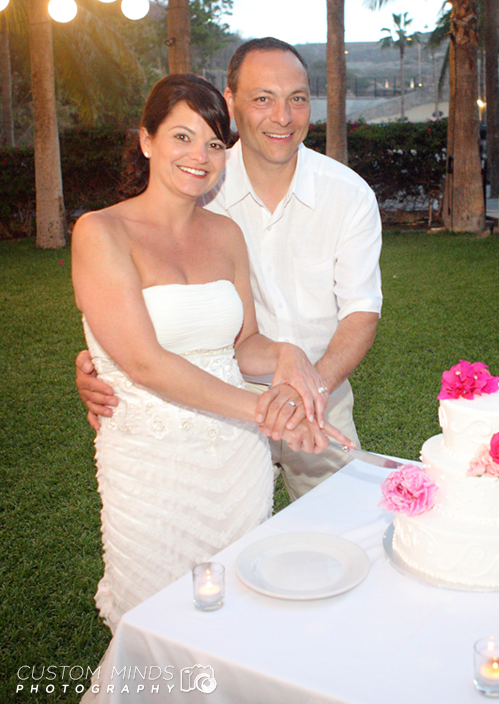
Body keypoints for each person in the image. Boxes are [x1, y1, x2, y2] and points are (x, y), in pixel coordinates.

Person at [72, 73, 351, 637]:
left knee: (239, 618)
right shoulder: (101, 232)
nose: (200, 156)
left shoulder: (225, 234)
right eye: (181, 137)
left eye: (215, 144)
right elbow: (144, 361)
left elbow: (243, 343)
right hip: (150, 461)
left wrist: (287, 355)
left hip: (235, 461)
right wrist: (262, 412)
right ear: (146, 140)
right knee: (155, 622)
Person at [76, 38, 383, 500]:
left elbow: (361, 311)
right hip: (207, 406)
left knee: (339, 530)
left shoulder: (348, 194)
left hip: (320, 389)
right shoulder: (195, 183)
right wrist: (104, 359)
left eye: (297, 99)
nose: (282, 116)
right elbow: (133, 292)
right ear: (231, 101)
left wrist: (307, 385)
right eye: (263, 98)